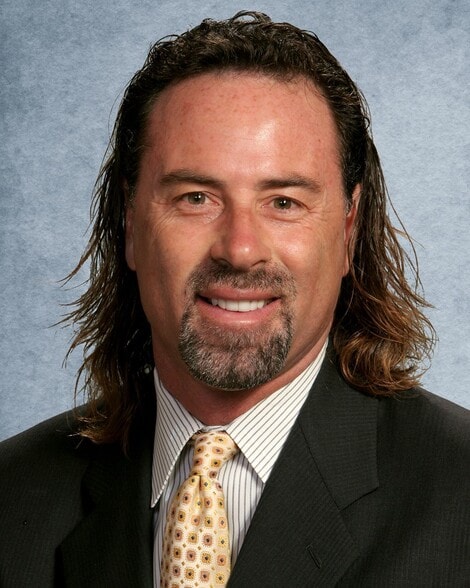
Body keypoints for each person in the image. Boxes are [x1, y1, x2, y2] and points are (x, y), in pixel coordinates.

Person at [0, 11, 468, 587]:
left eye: (284, 202)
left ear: (348, 231)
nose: (240, 249)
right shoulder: (12, 499)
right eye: (196, 197)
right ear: (130, 224)